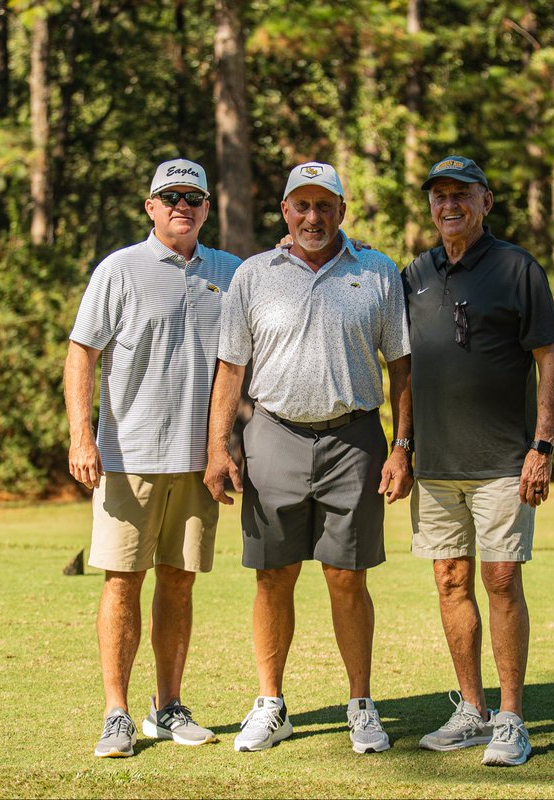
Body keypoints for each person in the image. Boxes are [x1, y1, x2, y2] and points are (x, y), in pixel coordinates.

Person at [203, 161, 413, 755]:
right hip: (273, 434)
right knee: (273, 576)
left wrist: (402, 446)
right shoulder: (253, 274)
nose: (313, 217)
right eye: (302, 206)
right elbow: (231, 369)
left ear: (342, 211)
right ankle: (271, 704)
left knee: (347, 577)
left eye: (325, 206)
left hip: (355, 439)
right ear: (285, 212)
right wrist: (220, 446)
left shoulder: (376, 272)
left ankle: (361, 704)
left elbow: (401, 367)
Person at [64, 158, 242, 758]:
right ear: (150, 206)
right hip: (129, 455)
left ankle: (167, 707)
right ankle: (116, 712)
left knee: (179, 582)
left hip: (199, 461)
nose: (181, 206)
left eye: (192, 197)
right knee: (122, 582)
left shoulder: (228, 271)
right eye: (169, 196)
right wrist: (81, 437)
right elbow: (82, 353)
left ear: (207, 208)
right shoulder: (120, 268)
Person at [402, 155, 554, 767]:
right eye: (439, 195)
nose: (449, 205)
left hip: (504, 460)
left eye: (461, 194)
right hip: (436, 464)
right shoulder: (413, 274)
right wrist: (403, 446)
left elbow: (550, 360)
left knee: (501, 580)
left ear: (486, 201)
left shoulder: (518, 268)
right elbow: (405, 371)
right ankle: (471, 710)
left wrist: (541, 447)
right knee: (449, 581)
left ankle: (511, 718)